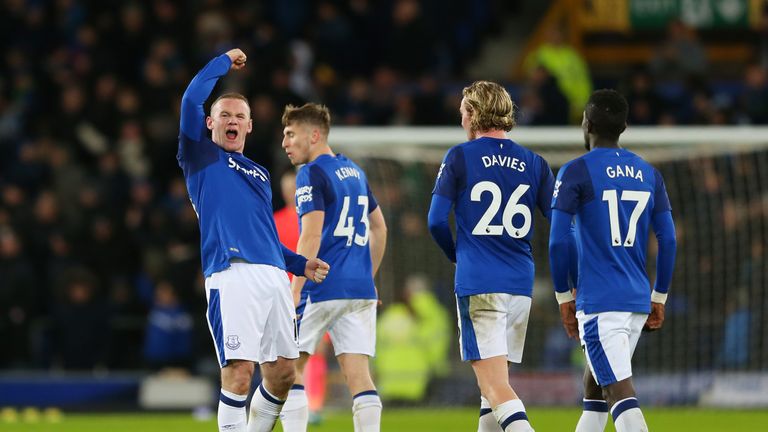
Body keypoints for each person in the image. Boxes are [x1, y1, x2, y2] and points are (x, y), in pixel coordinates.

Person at [177, 48, 330, 432]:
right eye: (224, 115)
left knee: (283, 374)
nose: (232, 120)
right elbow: (191, 96)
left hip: (275, 277)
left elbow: (265, 236)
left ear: (249, 127)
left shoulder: (261, 175)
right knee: (240, 375)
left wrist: (300, 263)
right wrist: (223, 62)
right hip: (232, 275)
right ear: (209, 123)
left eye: (239, 116)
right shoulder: (201, 157)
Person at [428, 80, 555, 432]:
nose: (461, 121)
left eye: (462, 114)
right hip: (520, 284)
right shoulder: (535, 163)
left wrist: (457, 255)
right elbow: (561, 224)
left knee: (496, 387)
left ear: (473, 114)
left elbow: (436, 220)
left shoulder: (460, 156)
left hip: (480, 282)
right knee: (490, 389)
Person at [548, 89, 677, 432]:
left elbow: (558, 239)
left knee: (620, 393)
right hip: (636, 300)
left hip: (600, 304)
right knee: (595, 394)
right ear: (624, 126)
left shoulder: (575, 171)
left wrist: (564, 297)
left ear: (586, 124)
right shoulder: (649, 173)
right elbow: (668, 239)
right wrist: (659, 295)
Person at [279, 102, 387, 432]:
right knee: (359, 377)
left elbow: (310, 234)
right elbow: (379, 227)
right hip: (359, 290)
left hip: (322, 286)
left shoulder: (311, 173)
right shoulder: (355, 171)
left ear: (314, 135)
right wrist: (367, 278)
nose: (285, 143)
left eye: (290, 134)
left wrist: (296, 290)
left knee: (287, 370)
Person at [272, 167, 331, 424]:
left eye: (294, 190)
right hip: (285, 296)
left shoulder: (315, 220)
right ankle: (290, 401)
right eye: (287, 190)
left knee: (317, 349)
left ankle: (314, 405)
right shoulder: (274, 221)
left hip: (316, 291)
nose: (290, 194)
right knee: (289, 353)